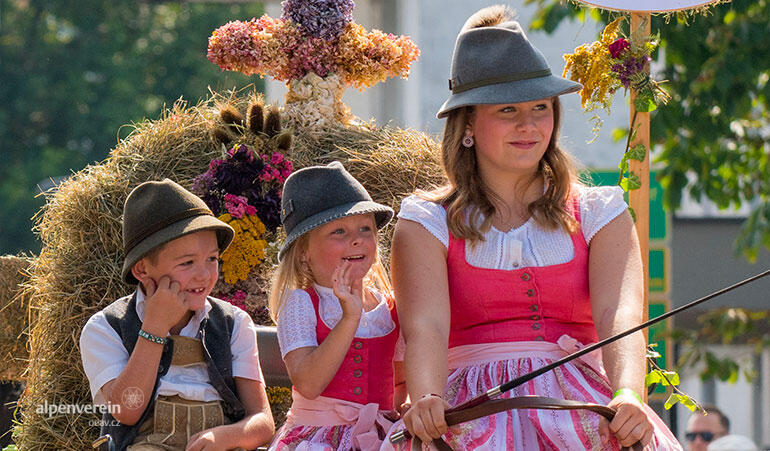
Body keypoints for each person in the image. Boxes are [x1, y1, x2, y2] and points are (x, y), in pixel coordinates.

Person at [386, 5, 682, 450]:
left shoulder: (600, 212)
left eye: (540, 107)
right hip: (469, 407)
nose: (528, 125)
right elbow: (425, 324)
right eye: (508, 110)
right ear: (467, 124)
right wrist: (427, 396)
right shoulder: (427, 222)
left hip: (581, 405)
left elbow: (619, 315)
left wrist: (628, 396)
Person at [80, 179, 274, 451]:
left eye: (212, 259)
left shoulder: (233, 323)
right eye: (187, 262)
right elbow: (127, 410)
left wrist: (226, 437)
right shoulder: (106, 328)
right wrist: (155, 327)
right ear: (142, 270)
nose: (204, 275)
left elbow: (263, 422)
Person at [267, 162, 405, 450]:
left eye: (365, 228)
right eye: (339, 231)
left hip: (379, 438)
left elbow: (401, 382)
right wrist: (349, 318)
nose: (356, 239)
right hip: (318, 437)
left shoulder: (390, 308)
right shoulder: (301, 303)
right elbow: (308, 383)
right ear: (304, 253)